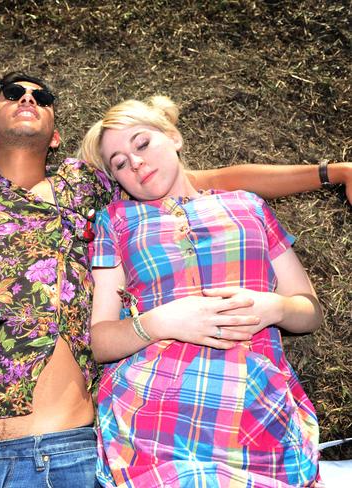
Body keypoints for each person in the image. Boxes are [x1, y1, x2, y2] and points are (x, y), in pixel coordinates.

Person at [0, 71, 351, 488]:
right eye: (12, 92)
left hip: (60, 454)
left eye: (40, 95)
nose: (26, 97)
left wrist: (331, 172)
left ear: (57, 135)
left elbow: (213, 181)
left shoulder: (93, 186)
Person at [80, 95, 328, 487]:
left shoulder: (248, 205)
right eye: (120, 164)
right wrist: (160, 322)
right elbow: (99, 340)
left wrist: (275, 307)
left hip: (256, 405)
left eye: (142, 144)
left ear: (174, 137)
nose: (137, 163)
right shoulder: (117, 220)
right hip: (154, 412)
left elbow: (310, 310)